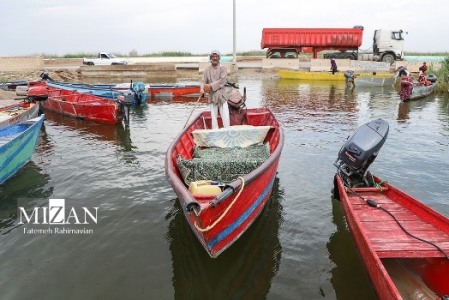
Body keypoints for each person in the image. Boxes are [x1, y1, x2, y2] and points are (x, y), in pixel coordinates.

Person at [200, 50, 230, 129]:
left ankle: (227, 130)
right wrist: (202, 89)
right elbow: (203, 81)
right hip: (212, 96)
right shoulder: (207, 70)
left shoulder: (223, 68)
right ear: (211, 58)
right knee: (213, 116)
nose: (215, 58)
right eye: (213, 57)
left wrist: (210, 85)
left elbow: (222, 80)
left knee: (225, 116)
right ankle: (215, 131)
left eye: (216, 57)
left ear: (219, 58)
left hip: (221, 95)